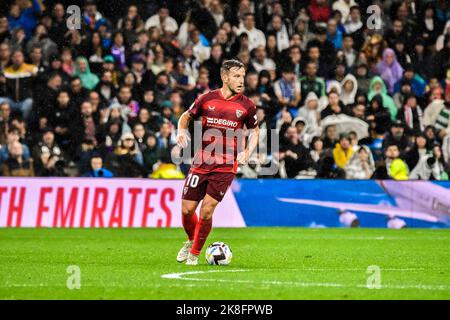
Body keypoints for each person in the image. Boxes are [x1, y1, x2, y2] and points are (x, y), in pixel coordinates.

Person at [175, 59, 259, 265]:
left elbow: (255, 131)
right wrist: (180, 131)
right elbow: (185, 117)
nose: (241, 80)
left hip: (225, 165)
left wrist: (247, 151)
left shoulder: (247, 105)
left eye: (243, 76)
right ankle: (190, 240)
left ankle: (194, 254)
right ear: (224, 77)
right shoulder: (206, 99)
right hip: (201, 163)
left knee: (207, 210)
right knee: (187, 210)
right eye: (236, 76)